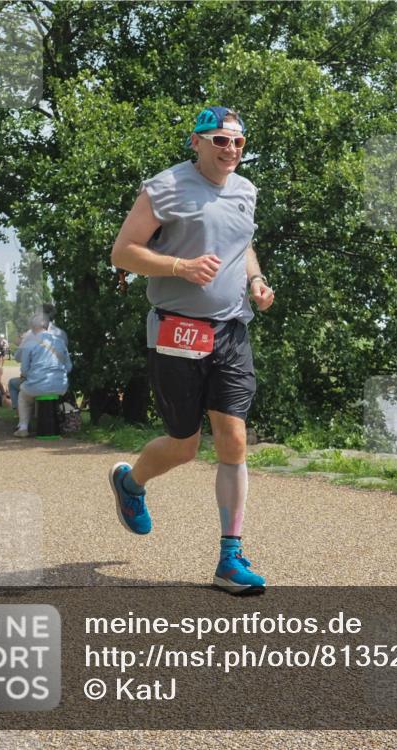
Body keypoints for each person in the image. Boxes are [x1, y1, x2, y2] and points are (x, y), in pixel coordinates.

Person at [109, 105, 275, 595]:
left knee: (233, 440)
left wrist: (258, 280)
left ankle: (230, 557)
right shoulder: (165, 188)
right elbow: (123, 252)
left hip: (230, 329)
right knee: (184, 445)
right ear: (196, 143)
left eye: (238, 142)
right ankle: (131, 483)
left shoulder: (246, 191)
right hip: (177, 330)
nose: (231, 150)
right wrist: (180, 268)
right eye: (220, 140)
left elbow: (241, 245)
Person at [8, 313, 72, 437]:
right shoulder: (60, 341)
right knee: (38, 391)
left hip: (38, 385)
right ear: (48, 326)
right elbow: (69, 367)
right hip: (61, 386)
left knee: (23, 395)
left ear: (32, 328)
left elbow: (24, 370)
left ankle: (23, 427)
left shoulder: (29, 343)